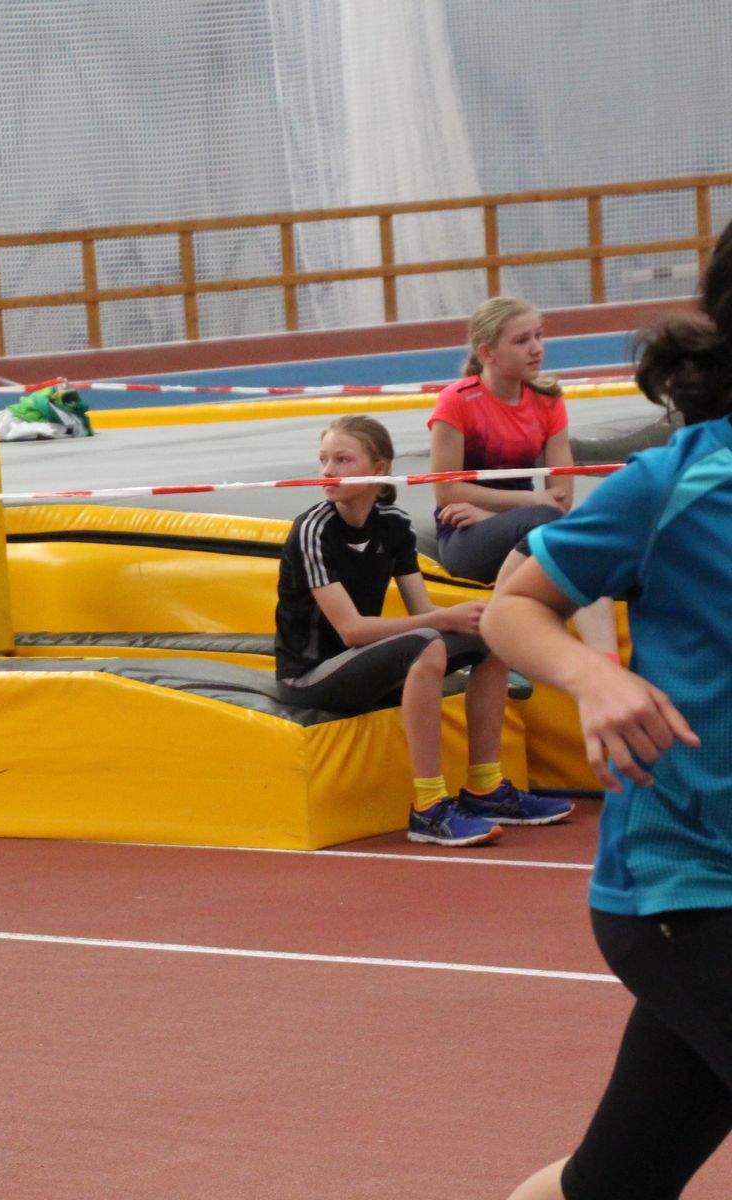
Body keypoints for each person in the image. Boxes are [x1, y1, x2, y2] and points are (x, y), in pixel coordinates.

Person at [490, 220, 732, 1200]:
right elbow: (512, 606)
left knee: (613, 1184)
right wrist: (595, 677)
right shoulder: (678, 484)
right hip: (690, 886)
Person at [274, 416, 572, 847]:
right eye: (323, 460)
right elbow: (352, 630)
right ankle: (429, 806)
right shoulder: (313, 529)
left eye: (342, 460)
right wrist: (441, 621)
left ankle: (485, 787)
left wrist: (468, 617)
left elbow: (423, 610)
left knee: (491, 635)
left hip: (364, 664)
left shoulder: (393, 524)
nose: (327, 472)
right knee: (428, 644)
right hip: (310, 676)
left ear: (379, 469)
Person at [429, 297, 619, 656]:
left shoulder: (547, 399)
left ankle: (607, 661)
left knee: (581, 534)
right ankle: (501, 633)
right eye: (521, 340)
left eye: (539, 336)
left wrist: (492, 513)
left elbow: (561, 497)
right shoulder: (457, 401)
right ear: (487, 353)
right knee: (547, 521)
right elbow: (446, 492)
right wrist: (527, 501)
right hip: (465, 535)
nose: (537, 349)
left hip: (520, 524)